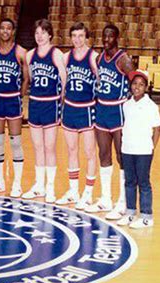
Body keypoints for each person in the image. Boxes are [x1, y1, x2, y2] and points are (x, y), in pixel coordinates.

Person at [85, 24, 134, 216]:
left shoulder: (123, 60)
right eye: (104, 37)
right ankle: (106, 198)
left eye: (110, 37)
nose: (106, 40)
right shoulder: (98, 58)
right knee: (104, 155)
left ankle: (123, 201)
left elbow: (135, 83)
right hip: (102, 110)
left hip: (118, 111)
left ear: (117, 38)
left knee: (122, 157)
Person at [0, 18, 29, 197]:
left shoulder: (20, 52)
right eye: (2, 28)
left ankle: (17, 183)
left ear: (13, 31)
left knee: (16, 142)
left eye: (8, 28)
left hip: (13, 100)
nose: (5, 31)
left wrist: (21, 96)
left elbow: (26, 78)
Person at [23, 19, 66, 203]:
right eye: (37, 33)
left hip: (51, 103)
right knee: (38, 147)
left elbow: (64, 80)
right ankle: (39, 185)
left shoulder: (56, 54)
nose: (39, 36)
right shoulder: (30, 55)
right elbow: (31, 78)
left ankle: (50, 188)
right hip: (35, 103)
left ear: (50, 34)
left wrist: (61, 101)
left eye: (43, 32)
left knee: (50, 147)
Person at [56, 22, 98, 210]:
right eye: (74, 36)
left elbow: (100, 81)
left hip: (87, 108)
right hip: (70, 108)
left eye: (81, 36)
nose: (77, 39)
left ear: (86, 37)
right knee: (72, 151)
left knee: (90, 152)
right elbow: (63, 83)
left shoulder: (93, 57)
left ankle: (88, 193)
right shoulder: (66, 57)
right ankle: (73, 191)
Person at [116, 70, 160, 228]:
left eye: (141, 85)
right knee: (129, 182)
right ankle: (130, 212)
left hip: (143, 150)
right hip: (127, 148)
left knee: (143, 182)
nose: (137, 87)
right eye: (134, 84)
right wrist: (122, 146)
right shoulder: (126, 105)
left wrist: (151, 147)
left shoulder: (151, 106)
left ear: (146, 88)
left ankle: (146, 216)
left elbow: (157, 128)